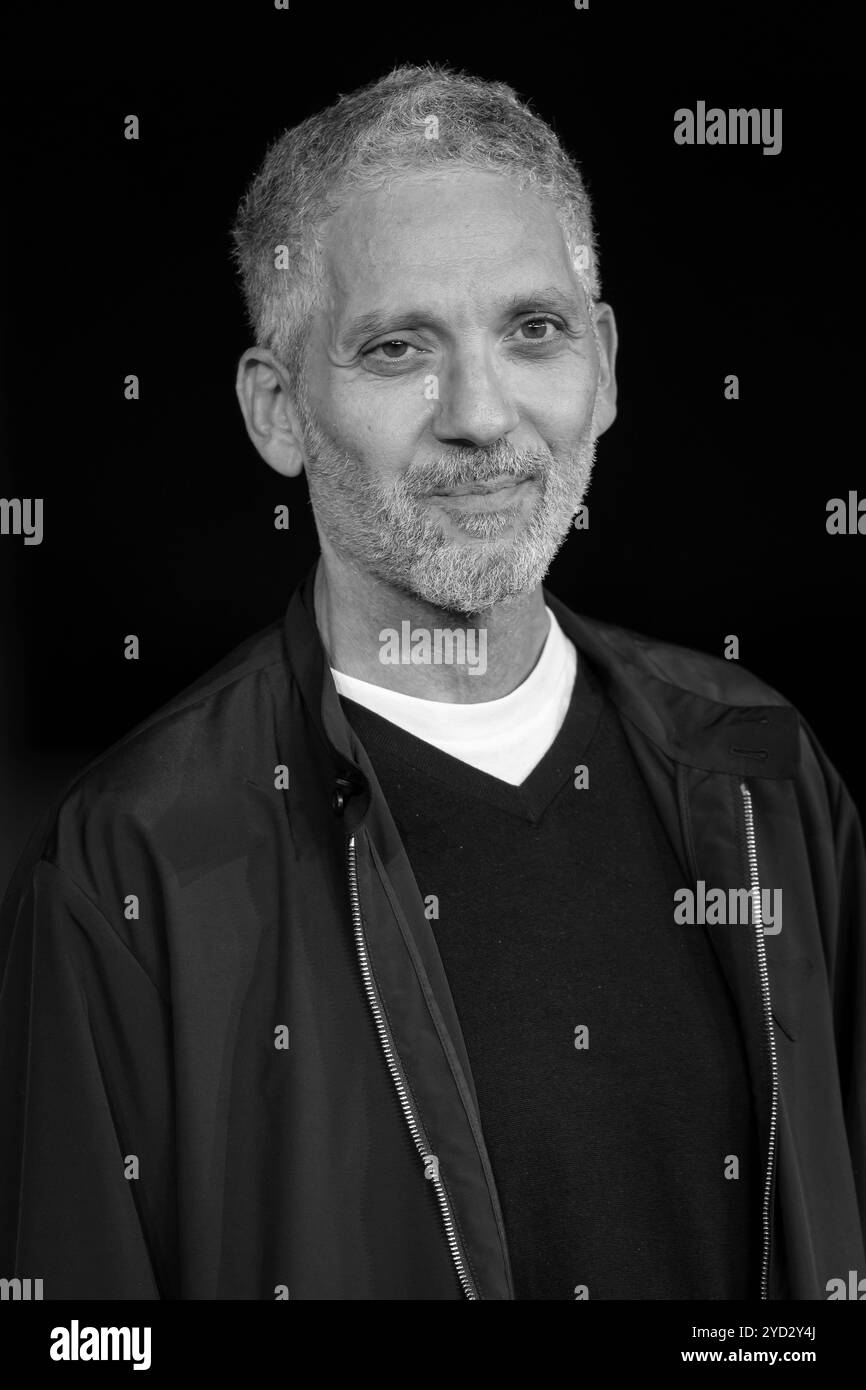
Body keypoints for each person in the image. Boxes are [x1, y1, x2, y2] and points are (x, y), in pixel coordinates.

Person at [1, 63, 863, 1302]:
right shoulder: (131, 864)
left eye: (532, 330)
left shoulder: (763, 775)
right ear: (278, 410)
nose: (477, 413)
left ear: (603, 365)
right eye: (398, 346)